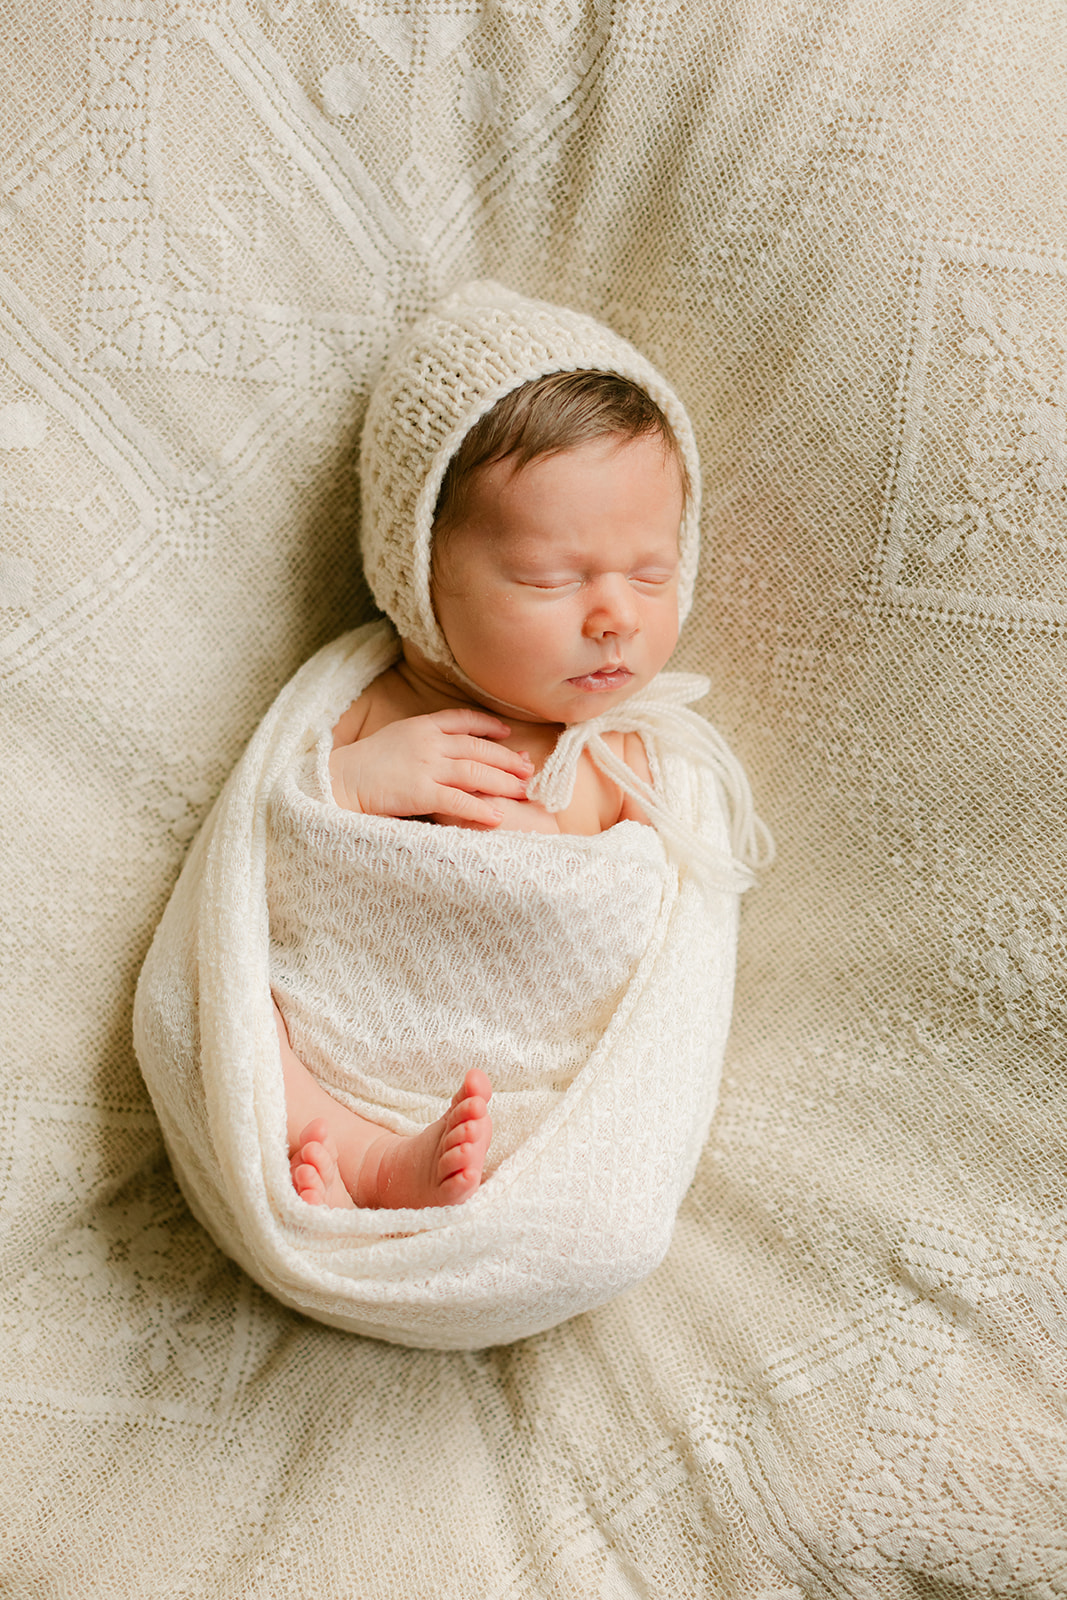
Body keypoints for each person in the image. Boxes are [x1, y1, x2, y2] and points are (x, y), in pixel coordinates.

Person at [275, 367, 693, 1211]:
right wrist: (345, 786)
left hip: (520, 1080)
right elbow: (258, 859)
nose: (615, 614)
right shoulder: (363, 702)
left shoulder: (628, 754)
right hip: (334, 1041)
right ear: (419, 569)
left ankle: (461, 1180)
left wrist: (566, 867)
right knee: (225, 1020)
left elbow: (668, 924)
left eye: (650, 573)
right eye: (548, 578)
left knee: (596, 1187)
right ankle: (365, 1157)